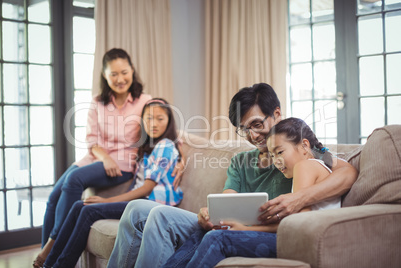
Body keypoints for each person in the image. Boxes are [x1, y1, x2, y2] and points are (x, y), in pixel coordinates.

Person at [106, 83, 358, 268]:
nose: (252, 136)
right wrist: (209, 213)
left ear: (277, 114)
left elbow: (347, 171)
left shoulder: (297, 152)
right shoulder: (241, 160)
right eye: (244, 129)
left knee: (163, 216)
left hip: (263, 230)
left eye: (257, 124)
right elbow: (227, 198)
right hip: (234, 225)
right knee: (138, 209)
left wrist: (299, 198)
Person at [33, 48, 186, 268]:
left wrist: (181, 158)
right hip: (97, 158)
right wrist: (104, 157)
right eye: (113, 74)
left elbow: (167, 126)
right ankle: (47, 256)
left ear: (132, 70)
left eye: (124, 72)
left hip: (123, 163)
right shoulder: (98, 102)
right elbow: (92, 139)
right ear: (104, 75)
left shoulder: (145, 102)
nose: (120, 78)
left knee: (75, 182)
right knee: (55, 196)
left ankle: (51, 251)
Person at [163, 117, 342, 267]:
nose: (277, 161)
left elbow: (298, 224)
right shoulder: (317, 166)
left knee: (217, 238)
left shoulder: (305, 166)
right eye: (272, 156)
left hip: (303, 244)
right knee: (207, 232)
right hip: (303, 239)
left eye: (280, 152)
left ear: (304, 145)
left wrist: (245, 228)